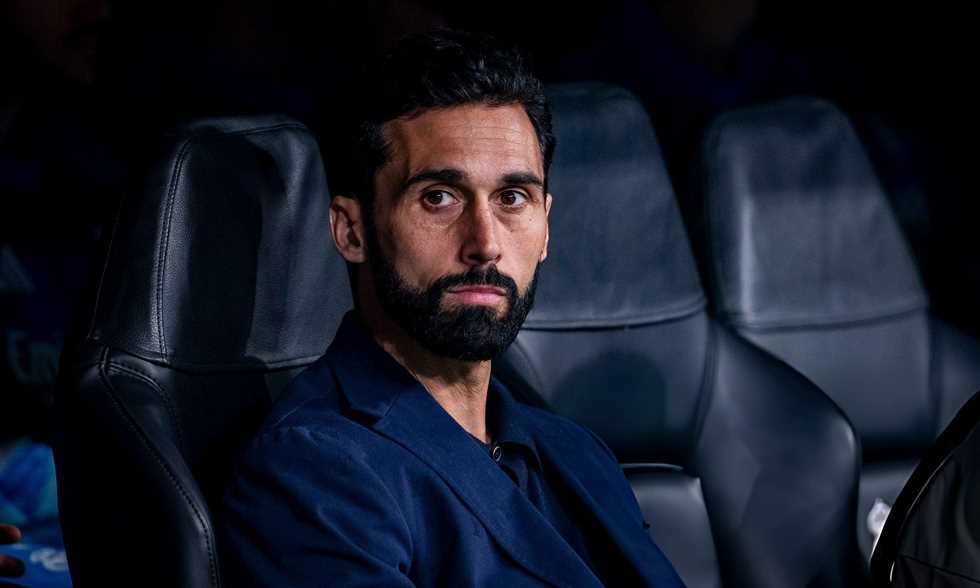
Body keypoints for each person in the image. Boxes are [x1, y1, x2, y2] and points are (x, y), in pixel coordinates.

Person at [219, 29, 685, 587]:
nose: (484, 243)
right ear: (352, 230)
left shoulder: (576, 450)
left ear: (545, 228)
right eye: (439, 197)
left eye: (512, 198)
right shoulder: (311, 468)